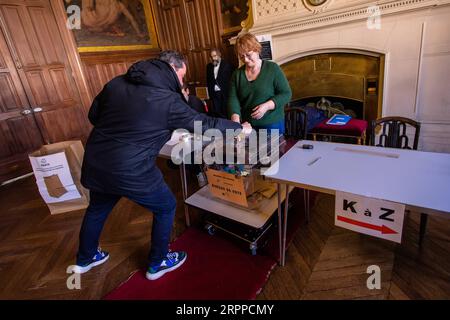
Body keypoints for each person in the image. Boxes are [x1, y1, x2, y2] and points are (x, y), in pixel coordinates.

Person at [73, 50, 251, 280]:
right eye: (183, 76)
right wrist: (239, 128)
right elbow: (203, 124)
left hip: (97, 161)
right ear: (174, 70)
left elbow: (94, 115)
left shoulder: (116, 83)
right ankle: (158, 262)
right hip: (131, 168)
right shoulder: (167, 99)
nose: (182, 82)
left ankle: (85, 258)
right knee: (166, 205)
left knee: (97, 209)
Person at [228, 33, 292, 134]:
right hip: (247, 125)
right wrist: (235, 120)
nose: (246, 60)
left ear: (257, 49)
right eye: (242, 57)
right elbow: (233, 99)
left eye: (248, 55)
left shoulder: (272, 68)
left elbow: (286, 94)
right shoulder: (237, 75)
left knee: (272, 150)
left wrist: (267, 106)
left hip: (272, 124)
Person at [206, 48, 233, 118]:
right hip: (214, 94)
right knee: (216, 114)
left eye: (215, 56)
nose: (213, 58)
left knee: (226, 113)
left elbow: (231, 80)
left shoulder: (227, 65)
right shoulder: (208, 67)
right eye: (211, 57)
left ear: (219, 55)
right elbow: (208, 81)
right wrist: (210, 95)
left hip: (225, 93)